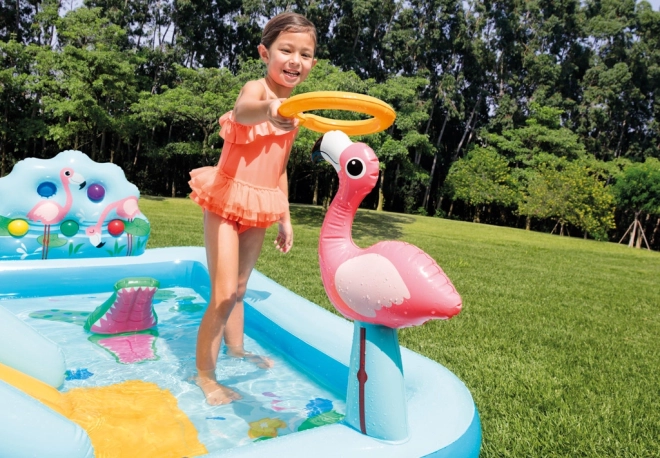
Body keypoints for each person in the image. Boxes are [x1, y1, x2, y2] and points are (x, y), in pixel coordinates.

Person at [188, 12, 317, 405]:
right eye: (286, 50)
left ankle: (237, 349)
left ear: (313, 63)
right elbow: (244, 110)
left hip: (261, 204)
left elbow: (278, 169)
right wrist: (270, 109)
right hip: (227, 201)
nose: (295, 60)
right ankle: (205, 376)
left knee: (241, 290)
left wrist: (286, 218)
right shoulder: (257, 90)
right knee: (223, 292)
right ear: (266, 52)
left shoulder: (294, 112)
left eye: (306, 54)